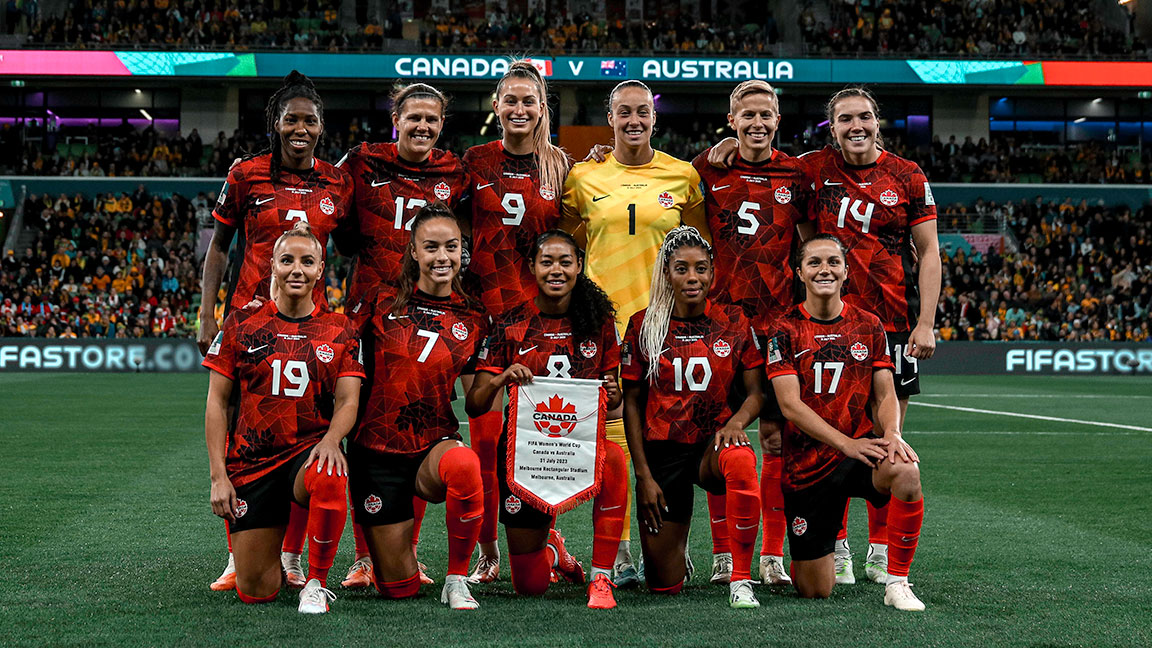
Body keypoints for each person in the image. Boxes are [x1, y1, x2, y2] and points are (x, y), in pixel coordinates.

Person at [198, 71, 353, 591]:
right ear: (276, 124)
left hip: (315, 331)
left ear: (321, 127)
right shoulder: (245, 174)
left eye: (310, 120)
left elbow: (359, 244)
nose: (301, 128)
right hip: (250, 325)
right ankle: (237, 552)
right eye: (292, 119)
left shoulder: (337, 181)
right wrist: (207, 313)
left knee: (311, 438)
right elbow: (219, 247)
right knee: (247, 438)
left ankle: (290, 556)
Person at [561, 80, 708, 586]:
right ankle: (620, 552)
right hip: (605, 328)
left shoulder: (683, 175)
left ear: (654, 116)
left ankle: (673, 547)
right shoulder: (584, 177)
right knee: (617, 443)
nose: (633, 121)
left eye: (642, 112)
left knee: (671, 440)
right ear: (610, 117)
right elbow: (568, 248)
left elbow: (698, 252)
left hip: (665, 329)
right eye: (623, 112)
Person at [792, 87, 939, 586]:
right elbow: (764, 169)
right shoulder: (813, 169)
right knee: (831, 437)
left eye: (864, 117)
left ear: (878, 122)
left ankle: (880, 550)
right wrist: (722, 147)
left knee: (888, 437)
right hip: (827, 326)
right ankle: (838, 545)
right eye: (844, 119)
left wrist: (925, 321)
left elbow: (930, 252)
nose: (856, 126)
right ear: (831, 127)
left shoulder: (908, 175)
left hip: (893, 325)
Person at [335, 81, 468, 588]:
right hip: (369, 320)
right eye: (413, 117)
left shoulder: (454, 173)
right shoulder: (362, 162)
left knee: (418, 427)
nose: (423, 127)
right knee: (365, 433)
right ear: (397, 119)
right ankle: (362, 555)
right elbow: (341, 231)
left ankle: (404, 552)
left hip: (430, 321)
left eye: (432, 119)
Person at [202, 222, 363, 614]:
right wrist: (218, 477)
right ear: (271, 266)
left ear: (320, 269)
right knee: (256, 590)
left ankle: (316, 582)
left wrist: (330, 441)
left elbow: (347, 401)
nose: (297, 269)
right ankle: (270, 553)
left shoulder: (341, 330)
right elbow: (216, 403)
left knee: (330, 471)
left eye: (307, 261)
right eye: (287, 260)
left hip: (305, 455)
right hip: (252, 464)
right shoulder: (241, 324)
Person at [466, 230, 627, 609]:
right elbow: (474, 404)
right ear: (532, 268)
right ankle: (554, 552)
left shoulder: (599, 323)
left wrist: (614, 395)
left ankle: (602, 575)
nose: (556, 270)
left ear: (579, 267)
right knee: (530, 587)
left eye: (565, 262)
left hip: (580, 448)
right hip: (525, 455)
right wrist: (503, 378)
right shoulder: (511, 323)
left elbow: (615, 406)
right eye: (547, 262)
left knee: (616, 460)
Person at [765, 234, 926, 611]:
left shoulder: (869, 325)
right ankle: (813, 549)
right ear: (799, 272)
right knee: (815, 590)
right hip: (806, 468)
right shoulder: (783, 329)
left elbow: (885, 394)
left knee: (906, 470)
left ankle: (898, 582)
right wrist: (846, 443)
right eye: (815, 262)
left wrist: (892, 433)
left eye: (833, 262)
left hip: (859, 454)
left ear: (846, 272)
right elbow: (789, 405)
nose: (825, 270)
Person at [692, 80, 809, 587]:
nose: (758, 123)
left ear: (777, 120)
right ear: (732, 120)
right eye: (748, 115)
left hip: (779, 325)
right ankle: (723, 555)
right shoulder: (705, 168)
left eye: (766, 115)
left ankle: (772, 555)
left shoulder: (797, 173)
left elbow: (810, 238)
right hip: (724, 327)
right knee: (723, 436)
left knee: (778, 441)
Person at [459, 61, 570, 583]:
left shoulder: (561, 167)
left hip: (540, 323)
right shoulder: (473, 161)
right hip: (483, 317)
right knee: (484, 441)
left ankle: (548, 541)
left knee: (539, 439)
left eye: (530, 101)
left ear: (542, 109)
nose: (520, 109)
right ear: (496, 106)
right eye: (512, 100)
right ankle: (486, 550)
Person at [345, 203, 487, 610]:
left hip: (431, 445)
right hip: (376, 451)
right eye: (431, 247)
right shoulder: (379, 300)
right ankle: (388, 562)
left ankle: (457, 579)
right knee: (399, 590)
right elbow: (341, 363)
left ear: (464, 251)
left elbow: (475, 405)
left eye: (452, 247)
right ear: (413, 251)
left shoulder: (475, 316)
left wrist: (499, 377)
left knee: (465, 464)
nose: (442, 257)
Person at [621, 226, 765, 609]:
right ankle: (674, 550)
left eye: (701, 269)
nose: (692, 278)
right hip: (662, 454)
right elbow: (632, 404)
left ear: (712, 272)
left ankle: (741, 578)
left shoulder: (733, 321)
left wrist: (737, 422)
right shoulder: (643, 325)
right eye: (682, 269)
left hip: (709, 448)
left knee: (741, 459)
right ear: (666, 273)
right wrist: (644, 475)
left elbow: (756, 393)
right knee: (662, 586)